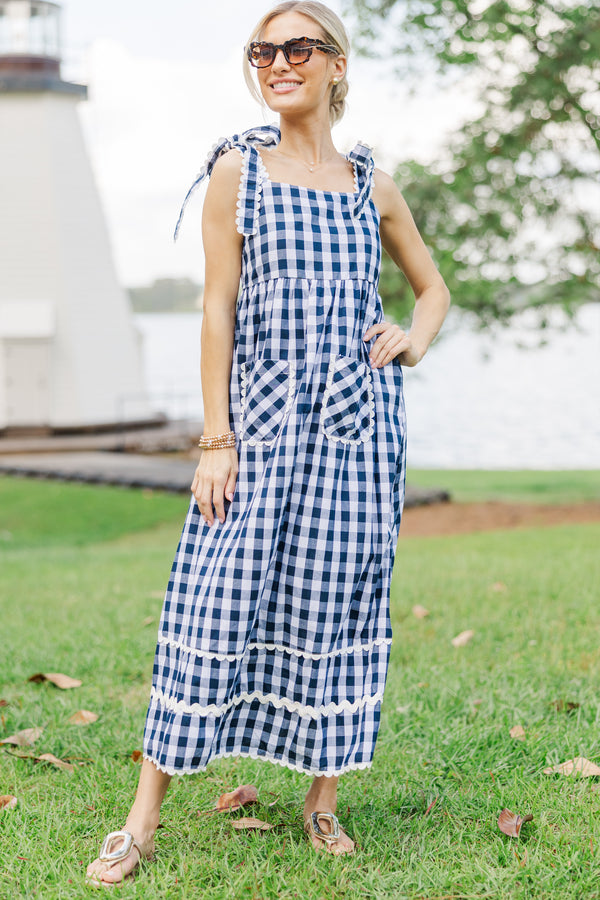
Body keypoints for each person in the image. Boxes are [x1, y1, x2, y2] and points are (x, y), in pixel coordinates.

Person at [86, 0, 450, 884]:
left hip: (356, 431)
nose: (277, 62)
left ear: (336, 64)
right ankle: (142, 820)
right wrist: (216, 439)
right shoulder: (237, 171)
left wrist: (412, 340)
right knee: (211, 599)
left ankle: (322, 802)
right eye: (262, 51)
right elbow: (216, 309)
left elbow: (432, 289)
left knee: (337, 602)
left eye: (297, 48)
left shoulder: (372, 184)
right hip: (259, 424)